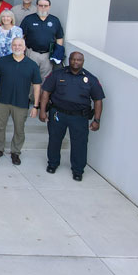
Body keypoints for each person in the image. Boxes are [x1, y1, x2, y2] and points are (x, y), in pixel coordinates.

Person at [40, 51, 105, 182]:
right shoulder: (58, 74)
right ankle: (52, 164)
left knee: (80, 144)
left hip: (79, 117)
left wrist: (97, 120)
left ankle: (78, 170)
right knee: (54, 140)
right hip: (58, 114)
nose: (75, 62)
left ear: (83, 61)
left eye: (79, 60)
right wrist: (42, 110)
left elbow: (98, 100)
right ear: (69, 60)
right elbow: (46, 92)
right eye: (73, 59)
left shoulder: (90, 79)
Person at [0, 37, 41, 165]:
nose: (17, 47)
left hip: (21, 103)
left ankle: (15, 152)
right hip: (2, 101)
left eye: (20, 45)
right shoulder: (2, 62)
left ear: (24, 47)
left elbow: (37, 86)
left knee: (19, 129)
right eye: (15, 45)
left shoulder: (32, 65)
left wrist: (35, 106)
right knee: (0, 127)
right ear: (11, 47)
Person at [20, 0, 64, 80]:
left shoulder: (55, 20)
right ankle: (30, 94)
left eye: (45, 6)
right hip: (31, 53)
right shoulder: (28, 19)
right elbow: (21, 35)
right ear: (37, 6)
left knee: (45, 78)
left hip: (47, 55)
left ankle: (41, 93)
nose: (43, 8)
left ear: (49, 7)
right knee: (29, 76)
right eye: (40, 5)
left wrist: (57, 52)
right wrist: (24, 49)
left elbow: (59, 37)